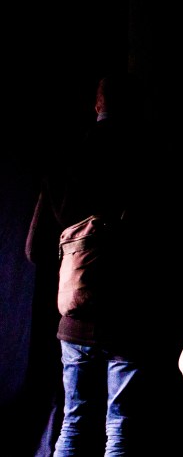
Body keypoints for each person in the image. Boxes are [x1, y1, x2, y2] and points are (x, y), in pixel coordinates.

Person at [25, 72, 151, 456]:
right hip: (129, 316)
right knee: (121, 426)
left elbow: (34, 249)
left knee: (74, 422)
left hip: (76, 315)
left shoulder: (65, 161)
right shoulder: (148, 158)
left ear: (97, 103)